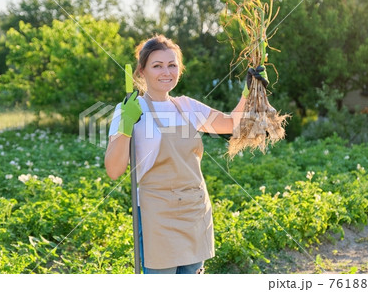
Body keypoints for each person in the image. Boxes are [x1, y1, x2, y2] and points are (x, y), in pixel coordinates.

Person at [104, 34, 267, 274]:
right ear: (141, 71)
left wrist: (248, 93)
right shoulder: (129, 109)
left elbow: (233, 124)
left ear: (180, 69)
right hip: (156, 215)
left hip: (194, 210)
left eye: (172, 65)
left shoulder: (187, 106)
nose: (166, 72)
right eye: (157, 66)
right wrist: (126, 126)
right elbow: (114, 171)